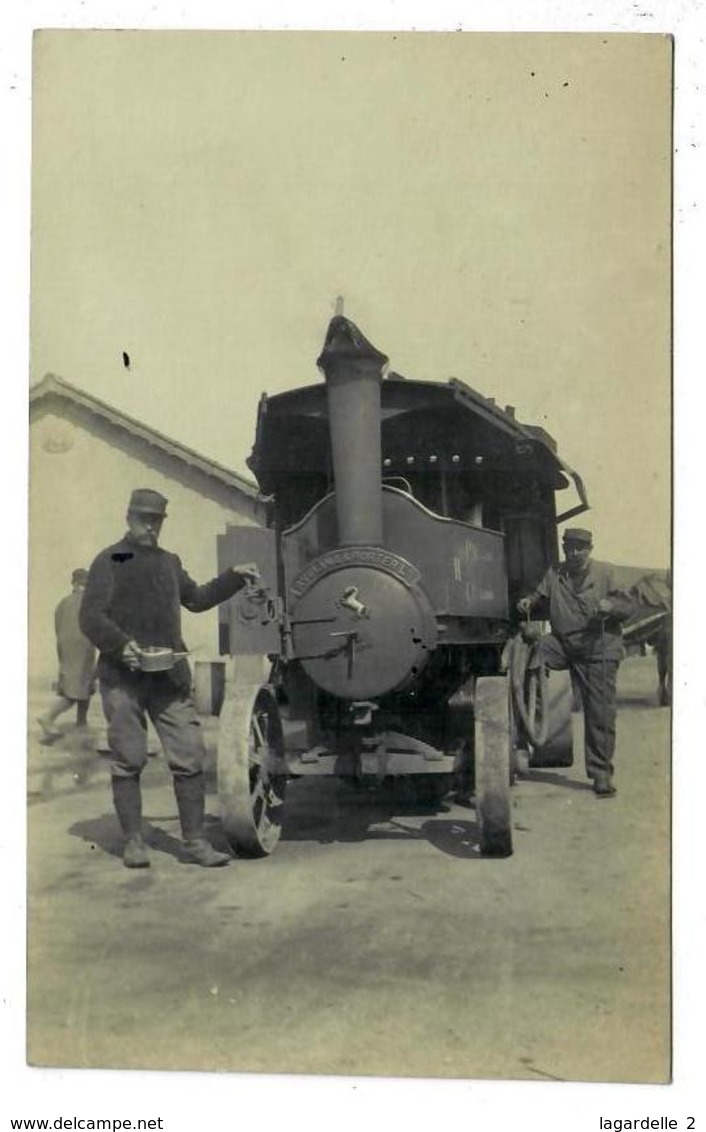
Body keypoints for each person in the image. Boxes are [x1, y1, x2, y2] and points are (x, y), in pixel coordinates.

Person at [80, 488, 261, 868]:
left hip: (168, 679)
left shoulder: (168, 562)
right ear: (128, 517)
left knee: (190, 756)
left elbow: (195, 598)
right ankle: (133, 842)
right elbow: (91, 617)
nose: (149, 525)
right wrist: (120, 645)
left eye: (155, 519)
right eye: (143, 518)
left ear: (162, 523)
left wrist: (233, 578)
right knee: (128, 758)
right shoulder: (111, 559)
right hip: (122, 677)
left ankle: (194, 843)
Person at [516, 528, 633, 797]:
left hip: (598, 647)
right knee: (524, 655)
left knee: (599, 712)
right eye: (569, 547)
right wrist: (527, 603)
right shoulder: (555, 573)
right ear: (564, 549)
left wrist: (611, 607)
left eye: (580, 548)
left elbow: (629, 606)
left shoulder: (606, 572)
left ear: (590, 549)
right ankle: (523, 736)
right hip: (562, 643)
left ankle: (601, 773)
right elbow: (538, 598)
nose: (574, 552)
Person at [37, 568, 97, 741]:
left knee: (80, 684)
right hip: (84, 645)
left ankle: (81, 723)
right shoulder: (91, 601)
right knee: (76, 690)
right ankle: (47, 717)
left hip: (65, 647)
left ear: (74, 583)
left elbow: (58, 628)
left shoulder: (63, 603)